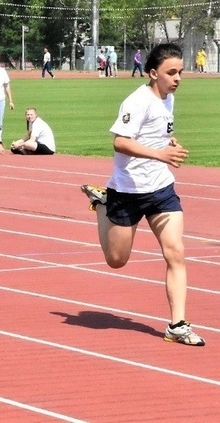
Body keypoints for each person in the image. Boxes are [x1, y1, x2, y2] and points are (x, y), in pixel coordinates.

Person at [81, 42, 205, 346]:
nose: (177, 78)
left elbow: (159, 132)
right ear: (152, 73)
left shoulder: (168, 98)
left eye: (180, 72)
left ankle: (177, 325)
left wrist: (169, 143)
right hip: (128, 190)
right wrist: (160, 155)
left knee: (175, 251)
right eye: (171, 73)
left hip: (161, 189)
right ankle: (102, 204)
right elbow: (120, 142)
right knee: (116, 260)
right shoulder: (136, 101)